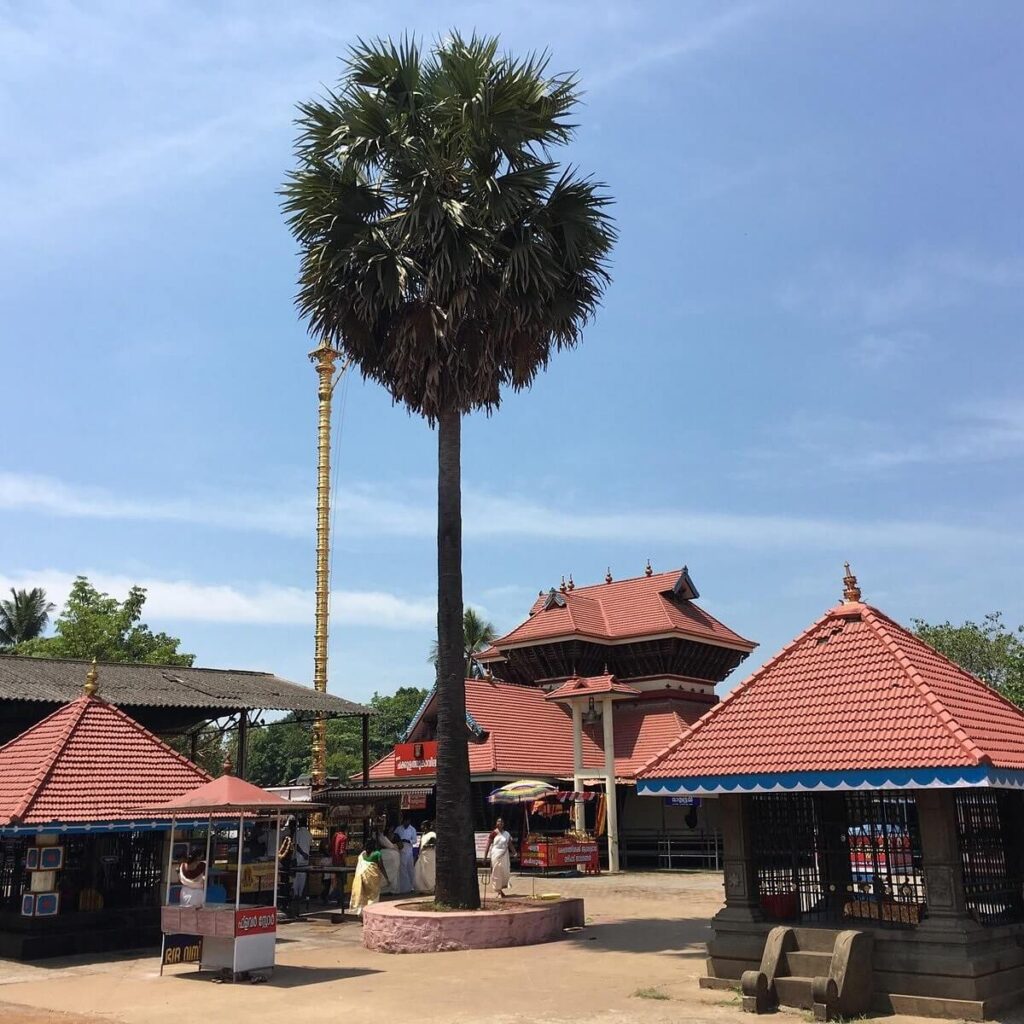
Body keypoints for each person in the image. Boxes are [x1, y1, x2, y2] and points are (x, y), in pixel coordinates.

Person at [349, 838, 388, 919]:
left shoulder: (362, 854)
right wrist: (386, 878)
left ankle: (361, 913)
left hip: (363, 878)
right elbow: (381, 867)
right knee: (373, 896)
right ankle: (371, 914)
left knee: (364, 895)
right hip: (373, 879)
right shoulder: (377, 854)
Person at [485, 817, 512, 898]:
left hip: (505, 855)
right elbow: (488, 845)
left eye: (501, 822)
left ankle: (501, 889)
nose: (500, 823)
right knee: (496, 871)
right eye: (498, 822)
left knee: (504, 872)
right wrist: (485, 857)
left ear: (503, 824)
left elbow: (510, 844)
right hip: (496, 854)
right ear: (496, 823)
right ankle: (499, 891)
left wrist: (515, 853)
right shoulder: (493, 833)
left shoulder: (507, 834)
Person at [393, 815, 417, 894]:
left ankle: (412, 886)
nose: (406, 823)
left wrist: (408, 841)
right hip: (400, 848)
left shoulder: (412, 829)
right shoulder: (399, 828)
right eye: (404, 821)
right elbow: (394, 836)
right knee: (402, 868)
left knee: (410, 867)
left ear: (409, 821)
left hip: (408, 849)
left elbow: (415, 840)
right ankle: (404, 887)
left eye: (407, 821)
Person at [376, 818, 400, 895]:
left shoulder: (383, 835)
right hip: (386, 854)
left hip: (390, 855)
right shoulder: (379, 835)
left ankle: (389, 888)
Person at [291, 816, 313, 899]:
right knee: (302, 877)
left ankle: (296, 894)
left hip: (298, 857)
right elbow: (310, 846)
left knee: (296, 876)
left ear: (299, 823)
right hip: (306, 858)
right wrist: (306, 854)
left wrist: (302, 853)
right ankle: (300, 894)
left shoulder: (297, 833)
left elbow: (295, 845)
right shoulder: (309, 833)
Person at [327, 823, 349, 905]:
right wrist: (344, 861)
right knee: (341, 881)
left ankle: (337, 898)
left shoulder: (335, 836)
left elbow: (330, 848)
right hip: (340, 862)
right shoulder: (344, 837)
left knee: (336, 880)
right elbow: (342, 851)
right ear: (345, 830)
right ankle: (340, 899)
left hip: (334, 861)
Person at [413, 820, 437, 894]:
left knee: (429, 872)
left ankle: (431, 888)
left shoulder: (432, 834)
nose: (421, 827)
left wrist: (427, 846)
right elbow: (420, 845)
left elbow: (434, 843)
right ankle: (423, 889)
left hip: (429, 855)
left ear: (426, 827)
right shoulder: (423, 834)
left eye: (422, 826)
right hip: (422, 855)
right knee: (419, 871)